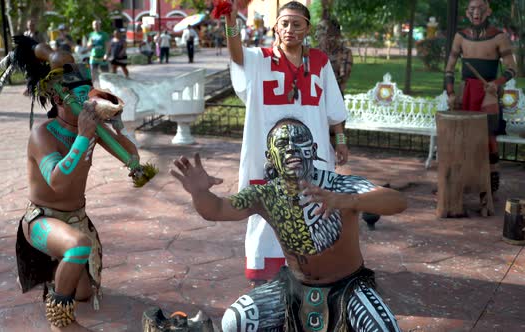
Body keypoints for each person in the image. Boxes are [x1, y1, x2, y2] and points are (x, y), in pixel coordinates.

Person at [171, 118, 406, 332]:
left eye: (300, 140)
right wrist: (200, 194)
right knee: (236, 320)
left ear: (313, 151)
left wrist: (347, 200)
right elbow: (218, 210)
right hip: (293, 287)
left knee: (384, 328)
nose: (292, 147)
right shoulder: (265, 195)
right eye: (282, 143)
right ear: (271, 157)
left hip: (348, 286)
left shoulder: (339, 185)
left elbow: (397, 201)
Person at [0, 36, 140, 331]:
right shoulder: (44, 134)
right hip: (42, 220)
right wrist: (83, 136)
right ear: (57, 99)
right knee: (78, 246)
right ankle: (60, 321)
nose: (86, 104)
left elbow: (131, 155)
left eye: (86, 96)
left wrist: (117, 125)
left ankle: (57, 270)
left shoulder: (91, 129)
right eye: (78, 99)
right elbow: (56, 180)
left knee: (84, 293)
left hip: (76, 218)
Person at [223, 0, 349, 285]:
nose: (289, 29)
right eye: (284, 23)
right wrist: (231, 22)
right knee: (267, 205)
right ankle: (264, 271)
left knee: (314, 205)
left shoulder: (319, 61)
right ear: (275, 27)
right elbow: (236, 55)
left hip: (311, 150)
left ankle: (313, 268)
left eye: (296, 24)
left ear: (307, 29)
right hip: (269, 154)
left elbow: (333, 107)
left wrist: (340, 139)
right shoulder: (259, 58)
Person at [444, 0, 517, 194]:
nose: (476, 13)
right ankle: (463, 180)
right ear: (467, 13)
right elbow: (449, 69)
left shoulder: (499, 37)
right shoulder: (460, 37)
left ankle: (490, 184)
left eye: (481, 9)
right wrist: (451, 93)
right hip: (465, 91)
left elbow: (512, 68)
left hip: (488, 94)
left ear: (488, 11)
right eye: (472, 9)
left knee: (489, 137)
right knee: (461, 135)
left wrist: (496, 83)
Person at [316, 17, 353, 96]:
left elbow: (343, 78)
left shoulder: (345, 53)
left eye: (322, 32)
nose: (317, 36)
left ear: (334, 36)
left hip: (334, 97)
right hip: (314, 98)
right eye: (317, 31)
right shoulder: (312, 52)